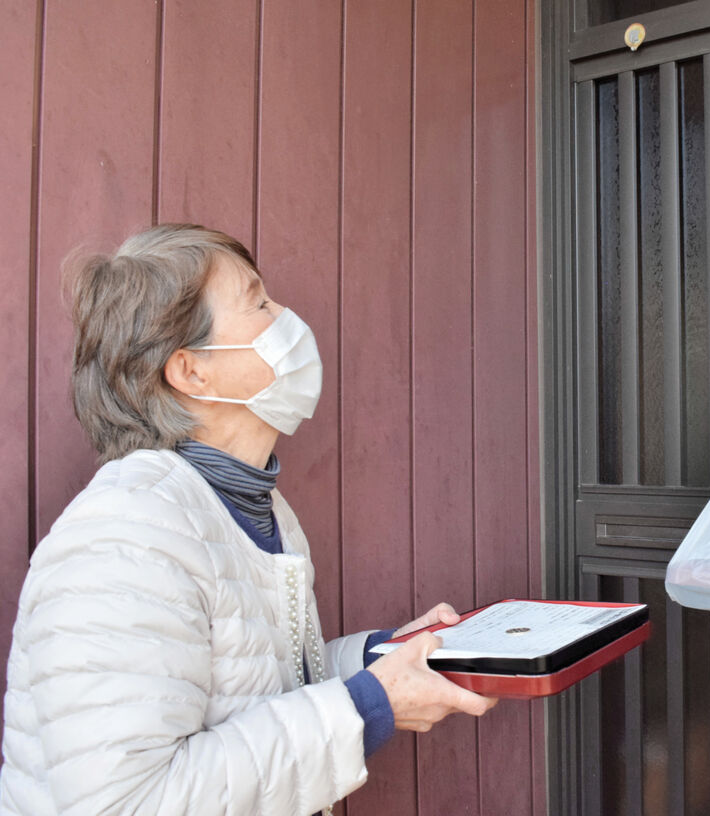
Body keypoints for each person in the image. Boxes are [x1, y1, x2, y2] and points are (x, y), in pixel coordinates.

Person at [0, 224, 496, 815]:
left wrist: (384, 660)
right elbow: (126, 803)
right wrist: (370, 708)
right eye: (258, 302)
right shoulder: (124, 536)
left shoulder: (250, 506)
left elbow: (251, 686)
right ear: (191, 372)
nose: (286, 315)